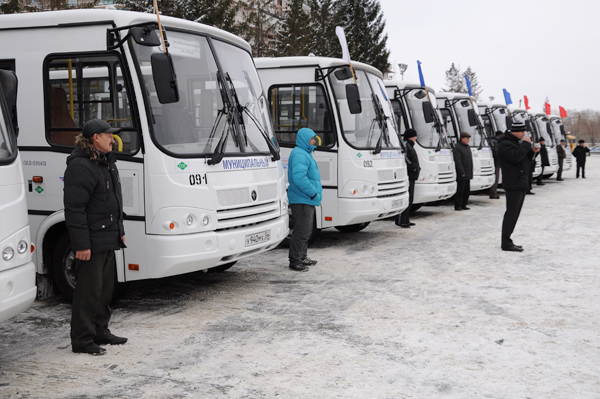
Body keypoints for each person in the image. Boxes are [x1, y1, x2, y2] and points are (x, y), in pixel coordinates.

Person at [64, 119, 127, 355]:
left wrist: (119, 231)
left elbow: (114, 201)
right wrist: (81, 244)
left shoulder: (106, 162)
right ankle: (81, 340)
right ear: (95, 138)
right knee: (88, 293)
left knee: (104, 289)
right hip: (91, 240)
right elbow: (74, 209)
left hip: (107, 236)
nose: (113, 139)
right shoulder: (81, 166)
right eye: (108, 135)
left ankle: (101, 331)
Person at [496, 121, 540, 252]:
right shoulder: (504, 144)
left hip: (520, 181)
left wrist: (532, 151)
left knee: (515, 213)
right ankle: (506, 242)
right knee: (511, 213)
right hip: (513, 182)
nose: (524, 134)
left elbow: (523, 159)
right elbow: (515, 157)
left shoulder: (515, 143)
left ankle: (508, 240)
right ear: (514, 131)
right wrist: (526, 144)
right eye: (522, 132)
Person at [287, 127, 322, 272]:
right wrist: (313, 193)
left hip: (306, 199)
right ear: (305, 139)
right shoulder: (300, 154)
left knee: (306, 231)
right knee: (301, 231)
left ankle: (302, 256)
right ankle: (295, 260)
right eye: (312, 138)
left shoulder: (305, 153)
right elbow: (299, 178)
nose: (314, 141)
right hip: (302, 199)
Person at [396, 129, 420, 228]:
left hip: (412, 176)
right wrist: (413, 167)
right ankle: (402, 221)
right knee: (407, 199)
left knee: (410, 199)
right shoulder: (406, 145)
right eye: (415, 136)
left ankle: (406, 220)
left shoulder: (409, 145)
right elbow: (405, 157)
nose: (416, 138)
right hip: (409, 175)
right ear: (411, 137)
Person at [453, 132, 473, 211]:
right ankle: (458, 205)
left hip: (468, 172)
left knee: (466, 190)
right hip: (462, 173)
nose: (468, 140)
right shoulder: (458, 147)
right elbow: (458, 161)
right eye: (467, 139)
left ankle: (464, 204)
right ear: (462, 139)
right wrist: (462, 172)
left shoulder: (467, 147)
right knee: (460, 190)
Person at [489, 131, 502, 199]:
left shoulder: (490, 141)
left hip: (492, 162)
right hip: (496, 163)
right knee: (496, 179)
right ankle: (493, 193)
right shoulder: (495, 142)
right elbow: (496, 153)